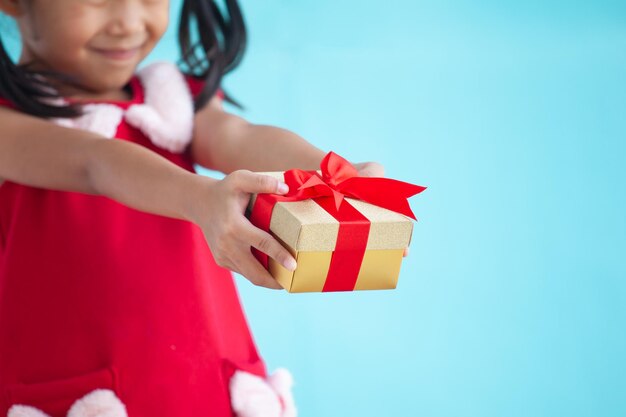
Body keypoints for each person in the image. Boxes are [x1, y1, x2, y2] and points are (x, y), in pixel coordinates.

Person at [0, 1, 386, 416]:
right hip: (79, 395)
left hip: (206, 381)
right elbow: (96, 162)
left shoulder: (174, 99)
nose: (129, 22)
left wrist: (330, 172)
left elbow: (236, 136)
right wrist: (201, 198)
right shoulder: (9, 122)